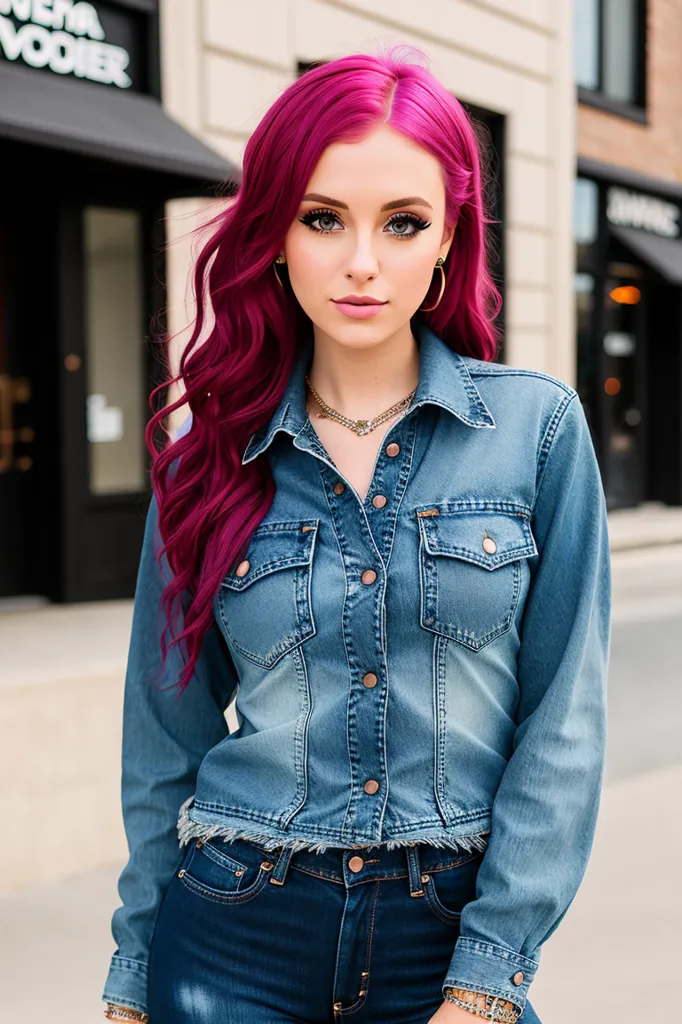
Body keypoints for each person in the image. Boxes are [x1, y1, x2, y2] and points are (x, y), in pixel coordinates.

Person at [102, 46, 611, 1024]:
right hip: (230, 932)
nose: (363, 262)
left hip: (449, 932)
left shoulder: (535, 433)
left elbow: (565, 722)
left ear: (450, 239)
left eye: (403, 222)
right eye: (324, 218)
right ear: (276, 235)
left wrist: (487, 978)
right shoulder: (203, 454)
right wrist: (131, 976)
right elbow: (161, 741)